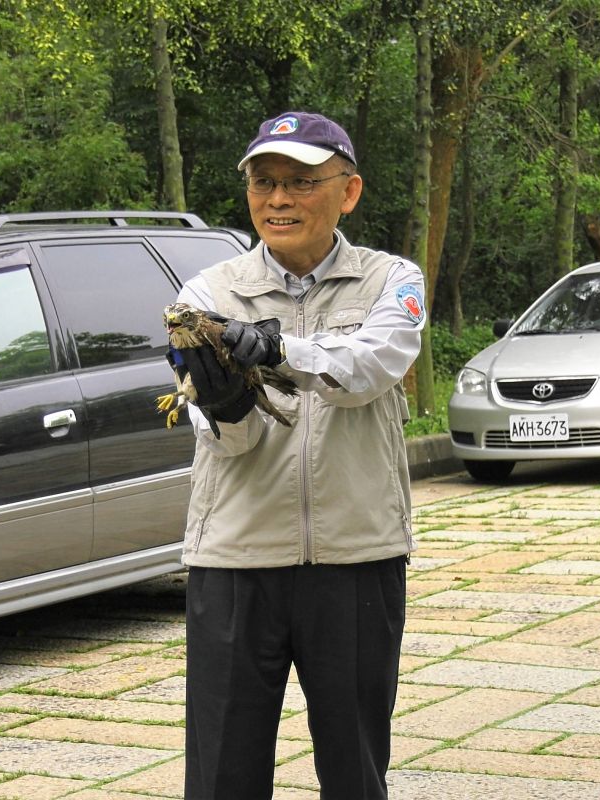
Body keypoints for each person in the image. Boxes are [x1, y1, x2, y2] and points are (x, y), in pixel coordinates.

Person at [170, 111, 426, 799]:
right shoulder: (205, 297)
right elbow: (229, 439)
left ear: (348, 191)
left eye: (301, 182)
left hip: (356, 557)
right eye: (263, 182)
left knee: (355, 769)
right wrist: (224, 404)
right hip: (234, 558)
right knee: (222, 773)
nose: (278, 200)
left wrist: (278, 350)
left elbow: (369, 371)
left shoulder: (391, 281)